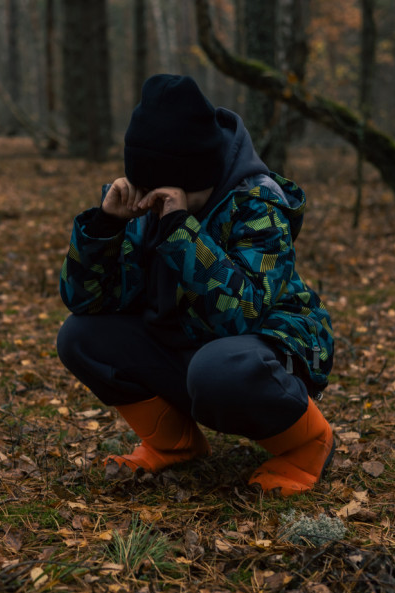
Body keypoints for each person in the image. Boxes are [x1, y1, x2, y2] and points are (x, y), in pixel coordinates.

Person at [56, 74, 335, 497]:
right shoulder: (142, 205)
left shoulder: (258, 206)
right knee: (80, 336)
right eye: (147, 189)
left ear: (202, 174)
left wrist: (180, 230)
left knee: (220, 369)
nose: (153, 201)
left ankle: (307, 444)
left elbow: (239, 318)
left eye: (167, 191)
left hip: (266, 352)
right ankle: (175, 445)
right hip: (185, 345)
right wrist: (106, 225)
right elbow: (85, 300)